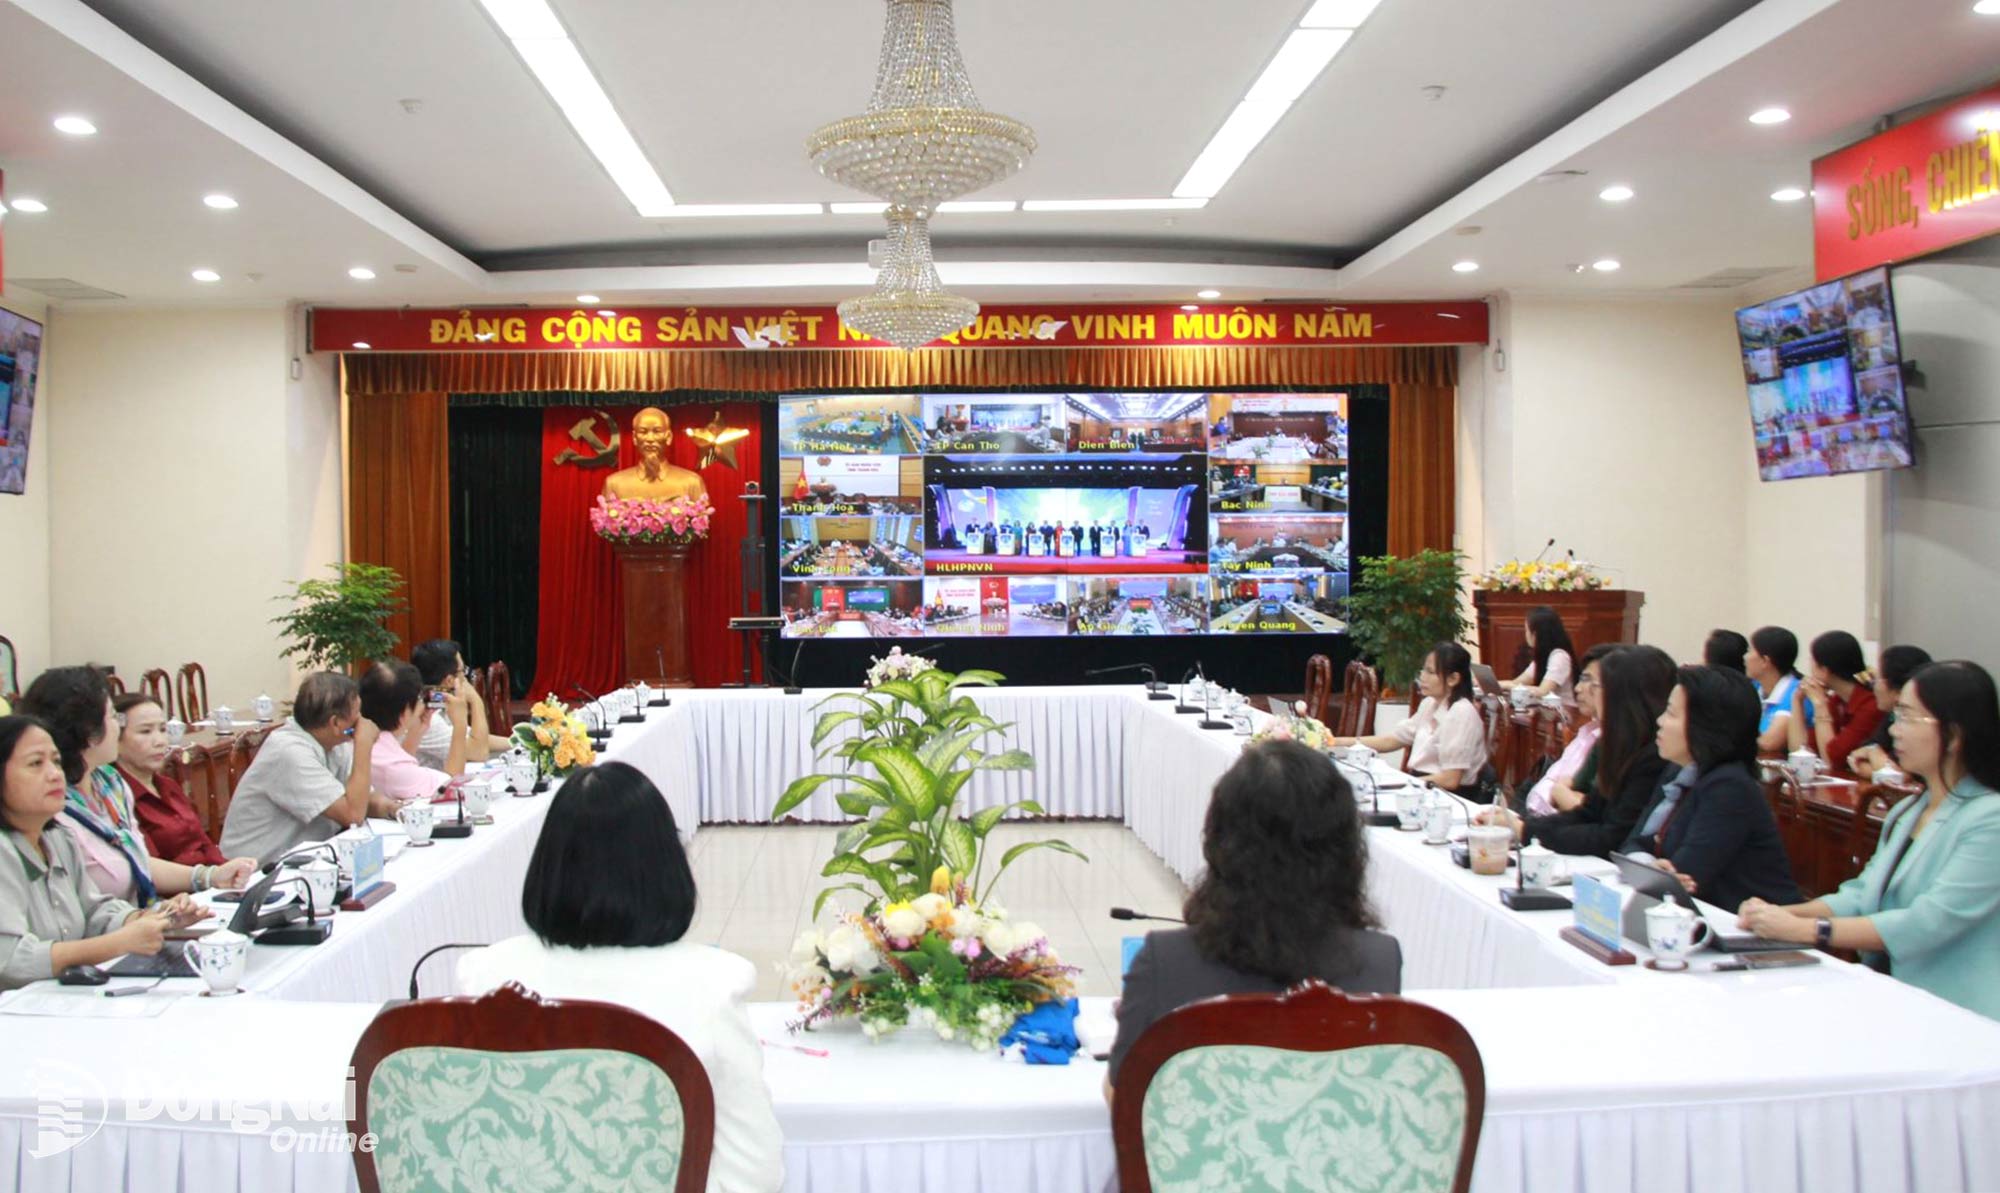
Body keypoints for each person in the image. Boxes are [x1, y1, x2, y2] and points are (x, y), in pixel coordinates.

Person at [457, 762, 783, 1193]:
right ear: (668, 866)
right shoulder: (712, 986)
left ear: (547, 864)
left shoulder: (485, 976)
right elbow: (755, 1174)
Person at [1106, 740, 1400, 1094]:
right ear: (1346, 848)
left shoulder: (1164, 962)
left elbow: (1123, 1096)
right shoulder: (1379, 960)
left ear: (1220, 840)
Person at [1739, 661, 2000, 1020]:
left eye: (1908, 717)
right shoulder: (1910, 808)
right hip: (1894, 995)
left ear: (1954, 735)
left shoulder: (1989, 818)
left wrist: (1806, 929)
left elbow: (1928, 922)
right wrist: (1780, 915)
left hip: (1958, 1010)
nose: (1894, 730)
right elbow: (1863, 895)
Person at [16, 667, 254, 905]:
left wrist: (209, 876)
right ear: (87, 730)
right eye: (113, 717)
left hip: (141, 920)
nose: (118, 726)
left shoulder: (109, 783)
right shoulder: (51, 805)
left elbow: (136, 859)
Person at [0, 715, 178, 990]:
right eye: (36, 763)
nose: (54, 774)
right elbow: (11, 961)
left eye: (56, 761)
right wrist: (118, 943)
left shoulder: (59, 837)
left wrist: (149, 919)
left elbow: (92, 910)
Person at [1624, 666, 1801, 911]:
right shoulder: (1684, 771)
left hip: (1752, 931)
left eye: (1671, 713)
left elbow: (1686, 877)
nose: (1660, 721)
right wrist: (1648, 866)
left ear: (1705, 726)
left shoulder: (1729, 787)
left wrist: (1654, 873)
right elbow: (1636, 844)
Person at [1481, 645, 1677, 858]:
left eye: (1596, 686)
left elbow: (1610, 837)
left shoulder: (1652, 756)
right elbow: (1588, 813)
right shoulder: (1616, 744)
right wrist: (1523, 826)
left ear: (1627, 696)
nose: (1586, 691)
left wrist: (1525, 831)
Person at [220, 672, 390, 865]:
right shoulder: (289, 752)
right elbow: (353, 815)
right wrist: (364, 745)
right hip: (253, 873)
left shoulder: (335, 742)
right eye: (357, 715)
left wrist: (393, 808)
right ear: (335, 723)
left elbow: (363, 799)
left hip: (304, 862)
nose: (362, 722)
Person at [1337, 642, 1488, 795]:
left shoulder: (1461, 712)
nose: (1422, 677)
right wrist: (1335, 742)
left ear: (1453, 679)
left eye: (1430, 672)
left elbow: (1450, 779)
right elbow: (1391, 740)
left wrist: (1404, 785)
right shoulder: (1430, 704)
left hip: (1445, 795)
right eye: (1423, 670)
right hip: (1420, 785)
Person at [112, 692, 224, 867]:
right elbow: (149, 869)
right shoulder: (117, 796)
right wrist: (210, 877)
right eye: (145, 731)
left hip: (211, 882)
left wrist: (229, 870)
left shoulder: (167, 784)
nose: (160, 741)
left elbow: (204, 843)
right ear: (115, 740)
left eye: (163, 730)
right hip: (179, 889)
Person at [1517, 643, 1619, 817]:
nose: (1578, 688)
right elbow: (1551, 782)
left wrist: (1559, 791)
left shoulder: (1611, 742)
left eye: (1589, 681)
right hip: (1533, 818)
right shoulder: (1587, 732)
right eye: (1581, 679)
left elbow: (1583, 809)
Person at [1786, 630, 1882, 778]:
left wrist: (1820, 706)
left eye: (1812, 662)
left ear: (1824, 671)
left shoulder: (1870, 705)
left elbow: (1832, 759)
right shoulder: (1837, 700)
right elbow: (1801, 751)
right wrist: (1797, 701)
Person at [410, 640, 512, 774]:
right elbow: (479, 752)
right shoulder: (427, 715)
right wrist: (476, 701)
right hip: (423, 792)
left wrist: (519, 743)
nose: (465, 676)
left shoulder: (437, 700)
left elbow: (474, 738)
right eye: (463, 671)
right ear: (449, 681)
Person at [362, 661, 457, 803]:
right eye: (418, 698)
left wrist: (415, 734)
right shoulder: (391, 765)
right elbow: (452, 787)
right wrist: (461, 722)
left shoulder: (363, 739)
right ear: (404, 711)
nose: (422, 702)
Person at [1849, 645, 1933, 781]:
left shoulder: (1924, 723)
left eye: (1877, 679)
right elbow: (1857, 758)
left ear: (1897, 691)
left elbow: (1901, 778)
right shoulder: (1892, 716)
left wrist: (1873, 754)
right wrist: (1877, 762)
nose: (1874, 686)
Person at [1747, 625, 1803, 754]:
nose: (1746, 657)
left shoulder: (1796, 691)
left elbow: (1770, 743)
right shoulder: (1755, 687)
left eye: (1750, 651)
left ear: (1765, 661)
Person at [1502, 605, 1576, 700]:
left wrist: (1508, 686)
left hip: (1565, 711)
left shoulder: (1560, 656)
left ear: (1535, 634)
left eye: (1526, 630)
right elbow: (1518, 683)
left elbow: (1544, 692)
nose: (1526, 635)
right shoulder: (1543, 656)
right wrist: (1493, 683)